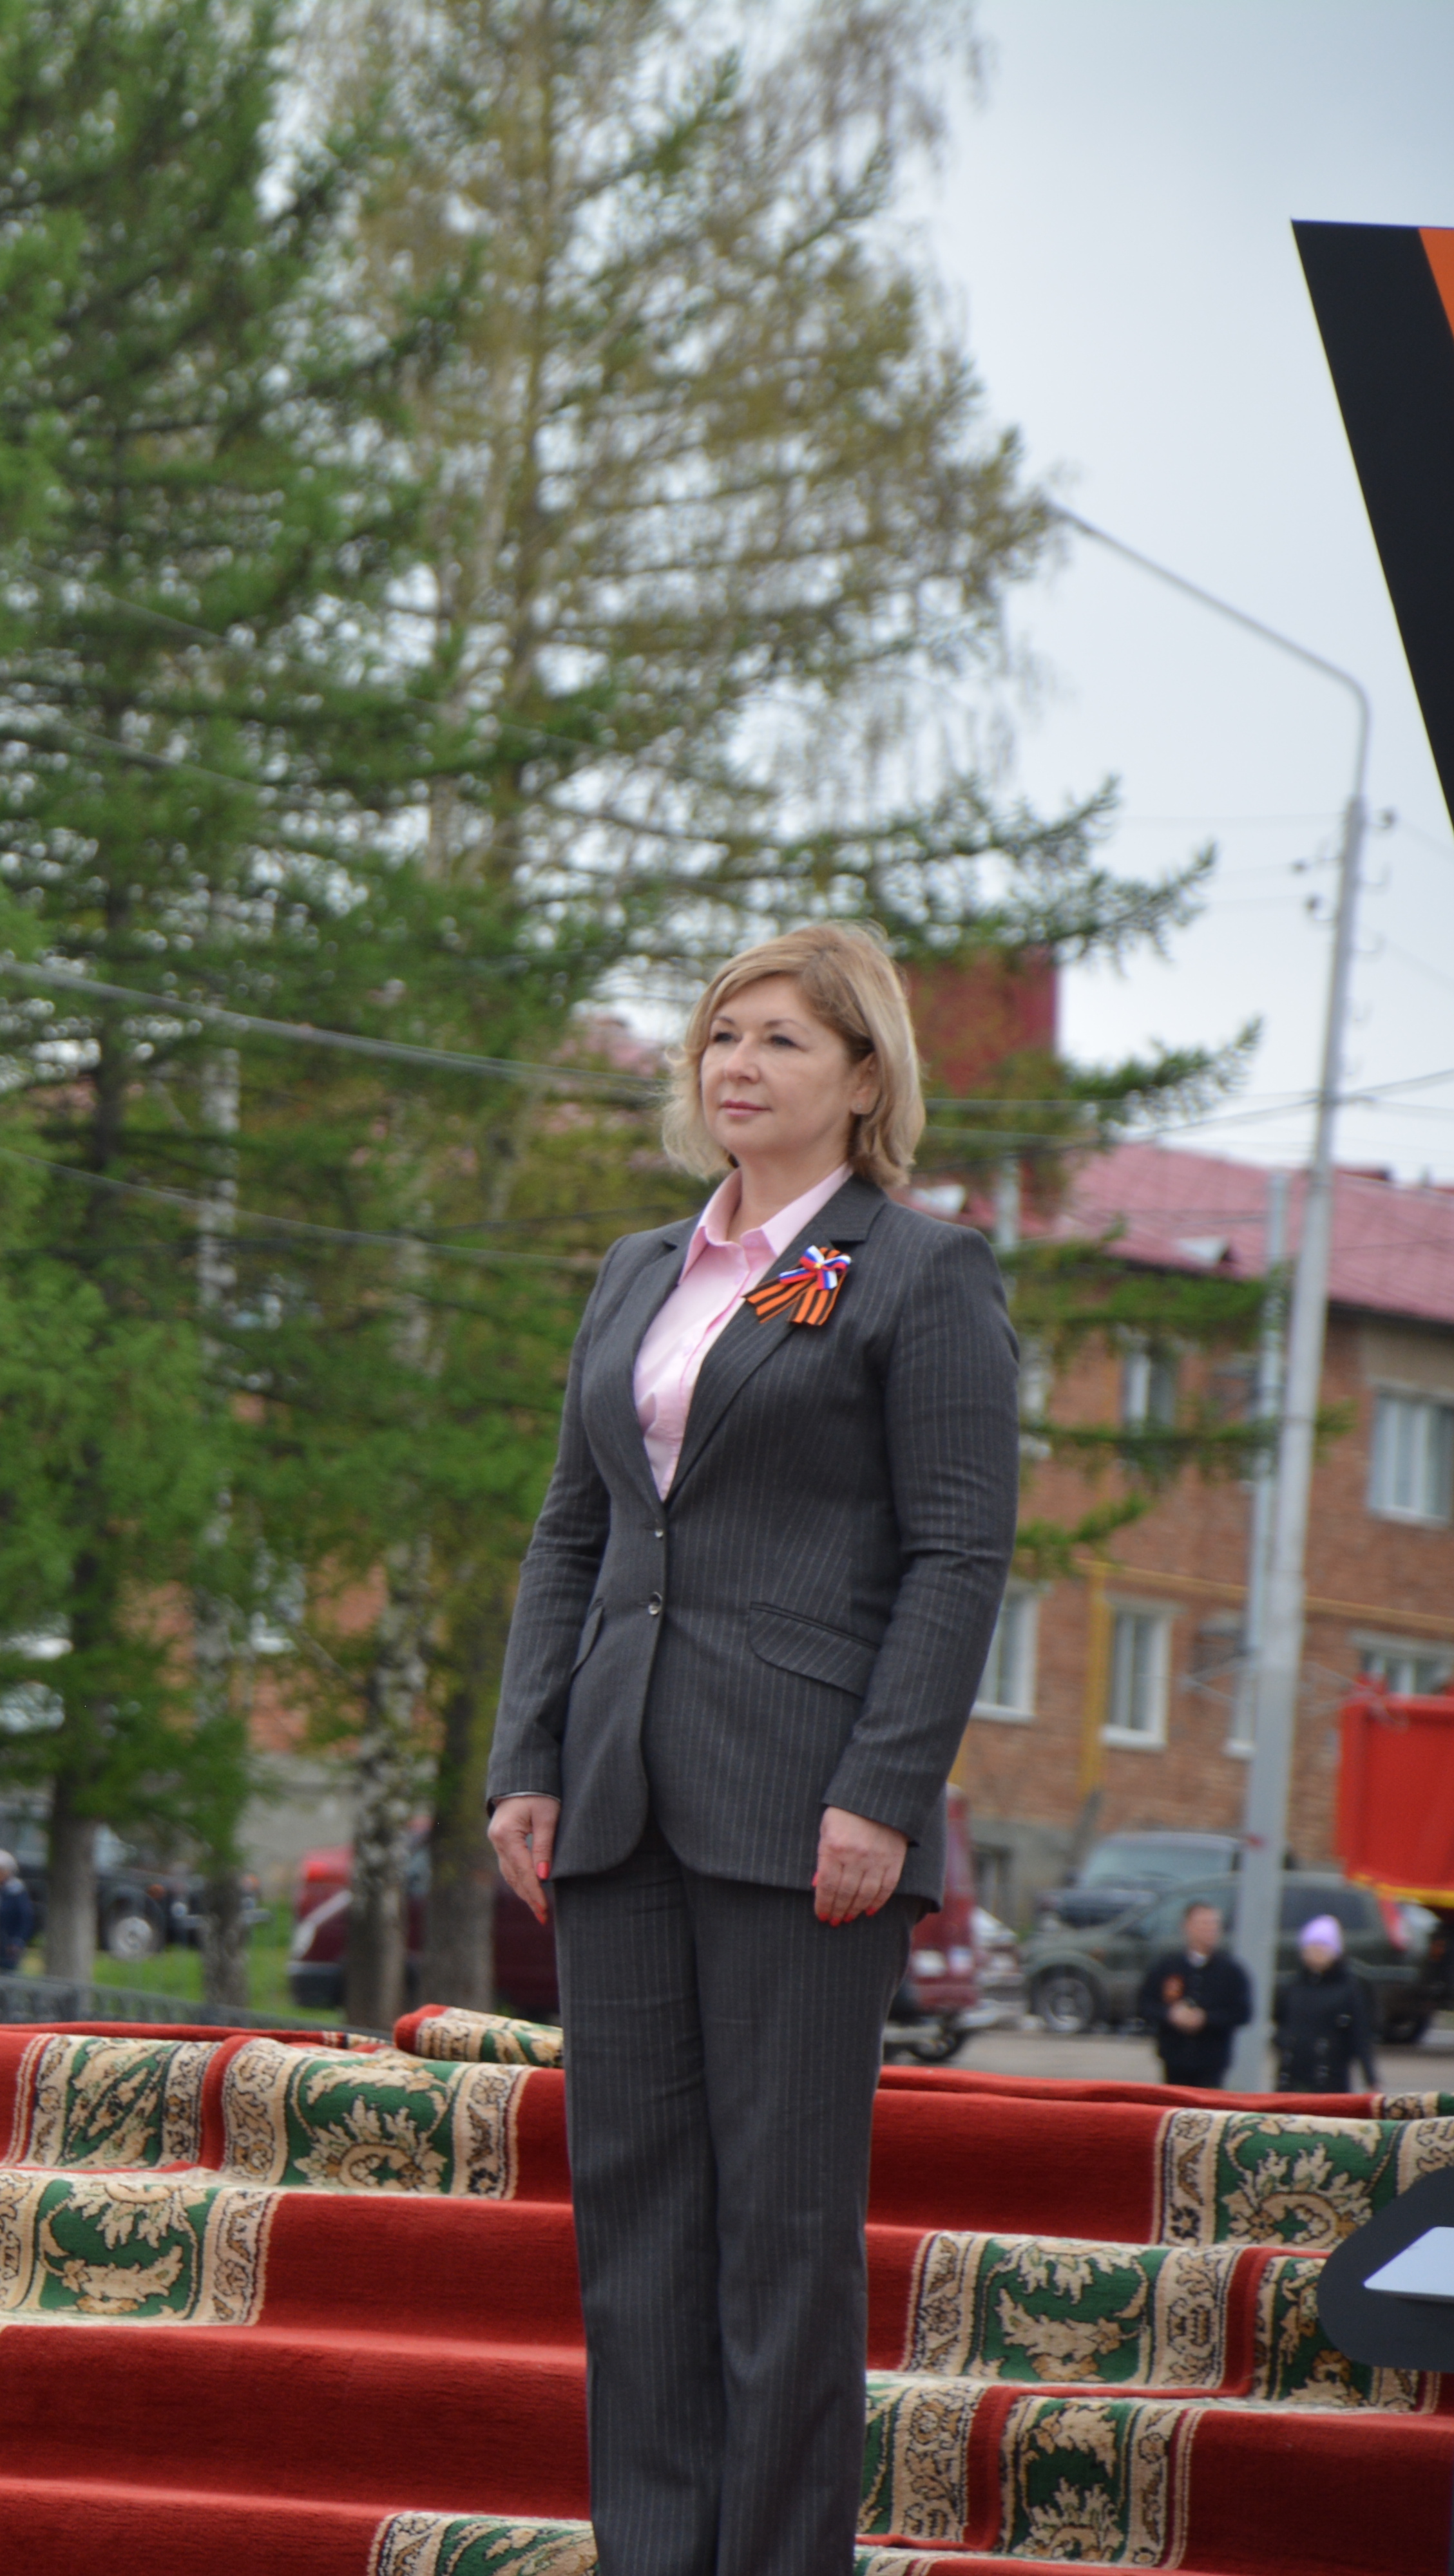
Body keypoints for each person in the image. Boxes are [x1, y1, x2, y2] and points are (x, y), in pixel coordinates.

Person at [484, 923, 1017, 2576]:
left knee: (779, 2239)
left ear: (864, 1079)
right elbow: (572, 1531)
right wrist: (529, 1757)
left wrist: (882, 1793)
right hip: (620, 1797)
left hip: (804, 1816)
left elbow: (956, 1555)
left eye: (783, 1039)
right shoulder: (641, 1270)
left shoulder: (920, 1273)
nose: (737, 1062)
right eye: (722, 1033)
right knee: (636, 2226)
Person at [1138, 1899, 1254, 2090]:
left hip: (1212, 2059)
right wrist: (1171, 2015)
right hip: (1174, 2057)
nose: (1210, 1929)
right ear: (1187, 1927)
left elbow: (1242, 2013)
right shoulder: (1167, 1967)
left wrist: (1205, 2019)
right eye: (1204, 1924)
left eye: (1214, 1924)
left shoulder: (1231, 1971)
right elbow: (1145, 2004)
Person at [1272, 1913, 1383, 2095]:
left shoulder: (1349, 1988)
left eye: (1323, 1946)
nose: (1316, 1952)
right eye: (1311, 1946)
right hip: (1292, 2079)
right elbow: (1280, 2022)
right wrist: (1283, 2042)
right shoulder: (1293, 1986)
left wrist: (1371, 2079)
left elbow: (1361, 2035)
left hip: (1330, 2079)